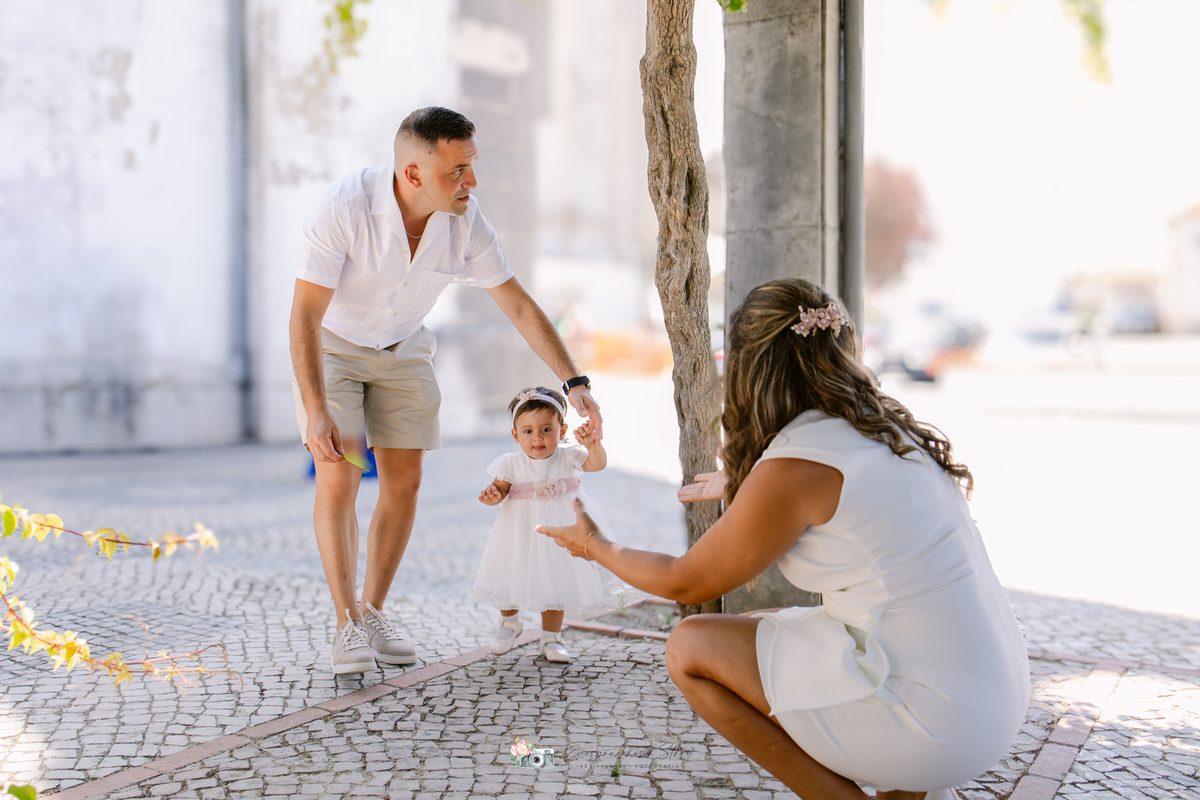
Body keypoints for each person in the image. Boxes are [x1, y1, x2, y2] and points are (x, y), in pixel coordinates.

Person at [538, 278, 1029, 800]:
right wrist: (751, 486)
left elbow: (684, 582)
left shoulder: (797, 466)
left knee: (691, 646)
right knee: (760, 629)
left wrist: (595, 545)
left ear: (751, 367)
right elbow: (826, 494)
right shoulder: (878, 429)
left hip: (936, 724)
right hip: (990, 694)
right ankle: (907, 788)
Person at [289, 106, 601, 675]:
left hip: (404, 346)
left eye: (471, 167)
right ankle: (345, 624)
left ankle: (374, 610)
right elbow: (306, 312)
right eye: (456, 171)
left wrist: (573, 382)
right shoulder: (345, 208)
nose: (471, 183)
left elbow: (519, 306)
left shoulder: (467, 220)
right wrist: (314, 409)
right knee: (341, 471)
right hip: (334, 344)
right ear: (412, 174)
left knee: (405, 478)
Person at [472, 387, 613, 663]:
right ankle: (510, 622)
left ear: (562, 430)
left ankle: (551, 636)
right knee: (509, 573)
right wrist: (492, 495)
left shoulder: (569, 456)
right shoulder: (511, 463)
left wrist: (592, 446)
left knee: (555, 579)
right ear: (515, 434)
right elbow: (499, 489)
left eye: (546, 429)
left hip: (560, 527)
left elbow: (597, 465)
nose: (537, 437)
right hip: (518, 529)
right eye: (528, 431)